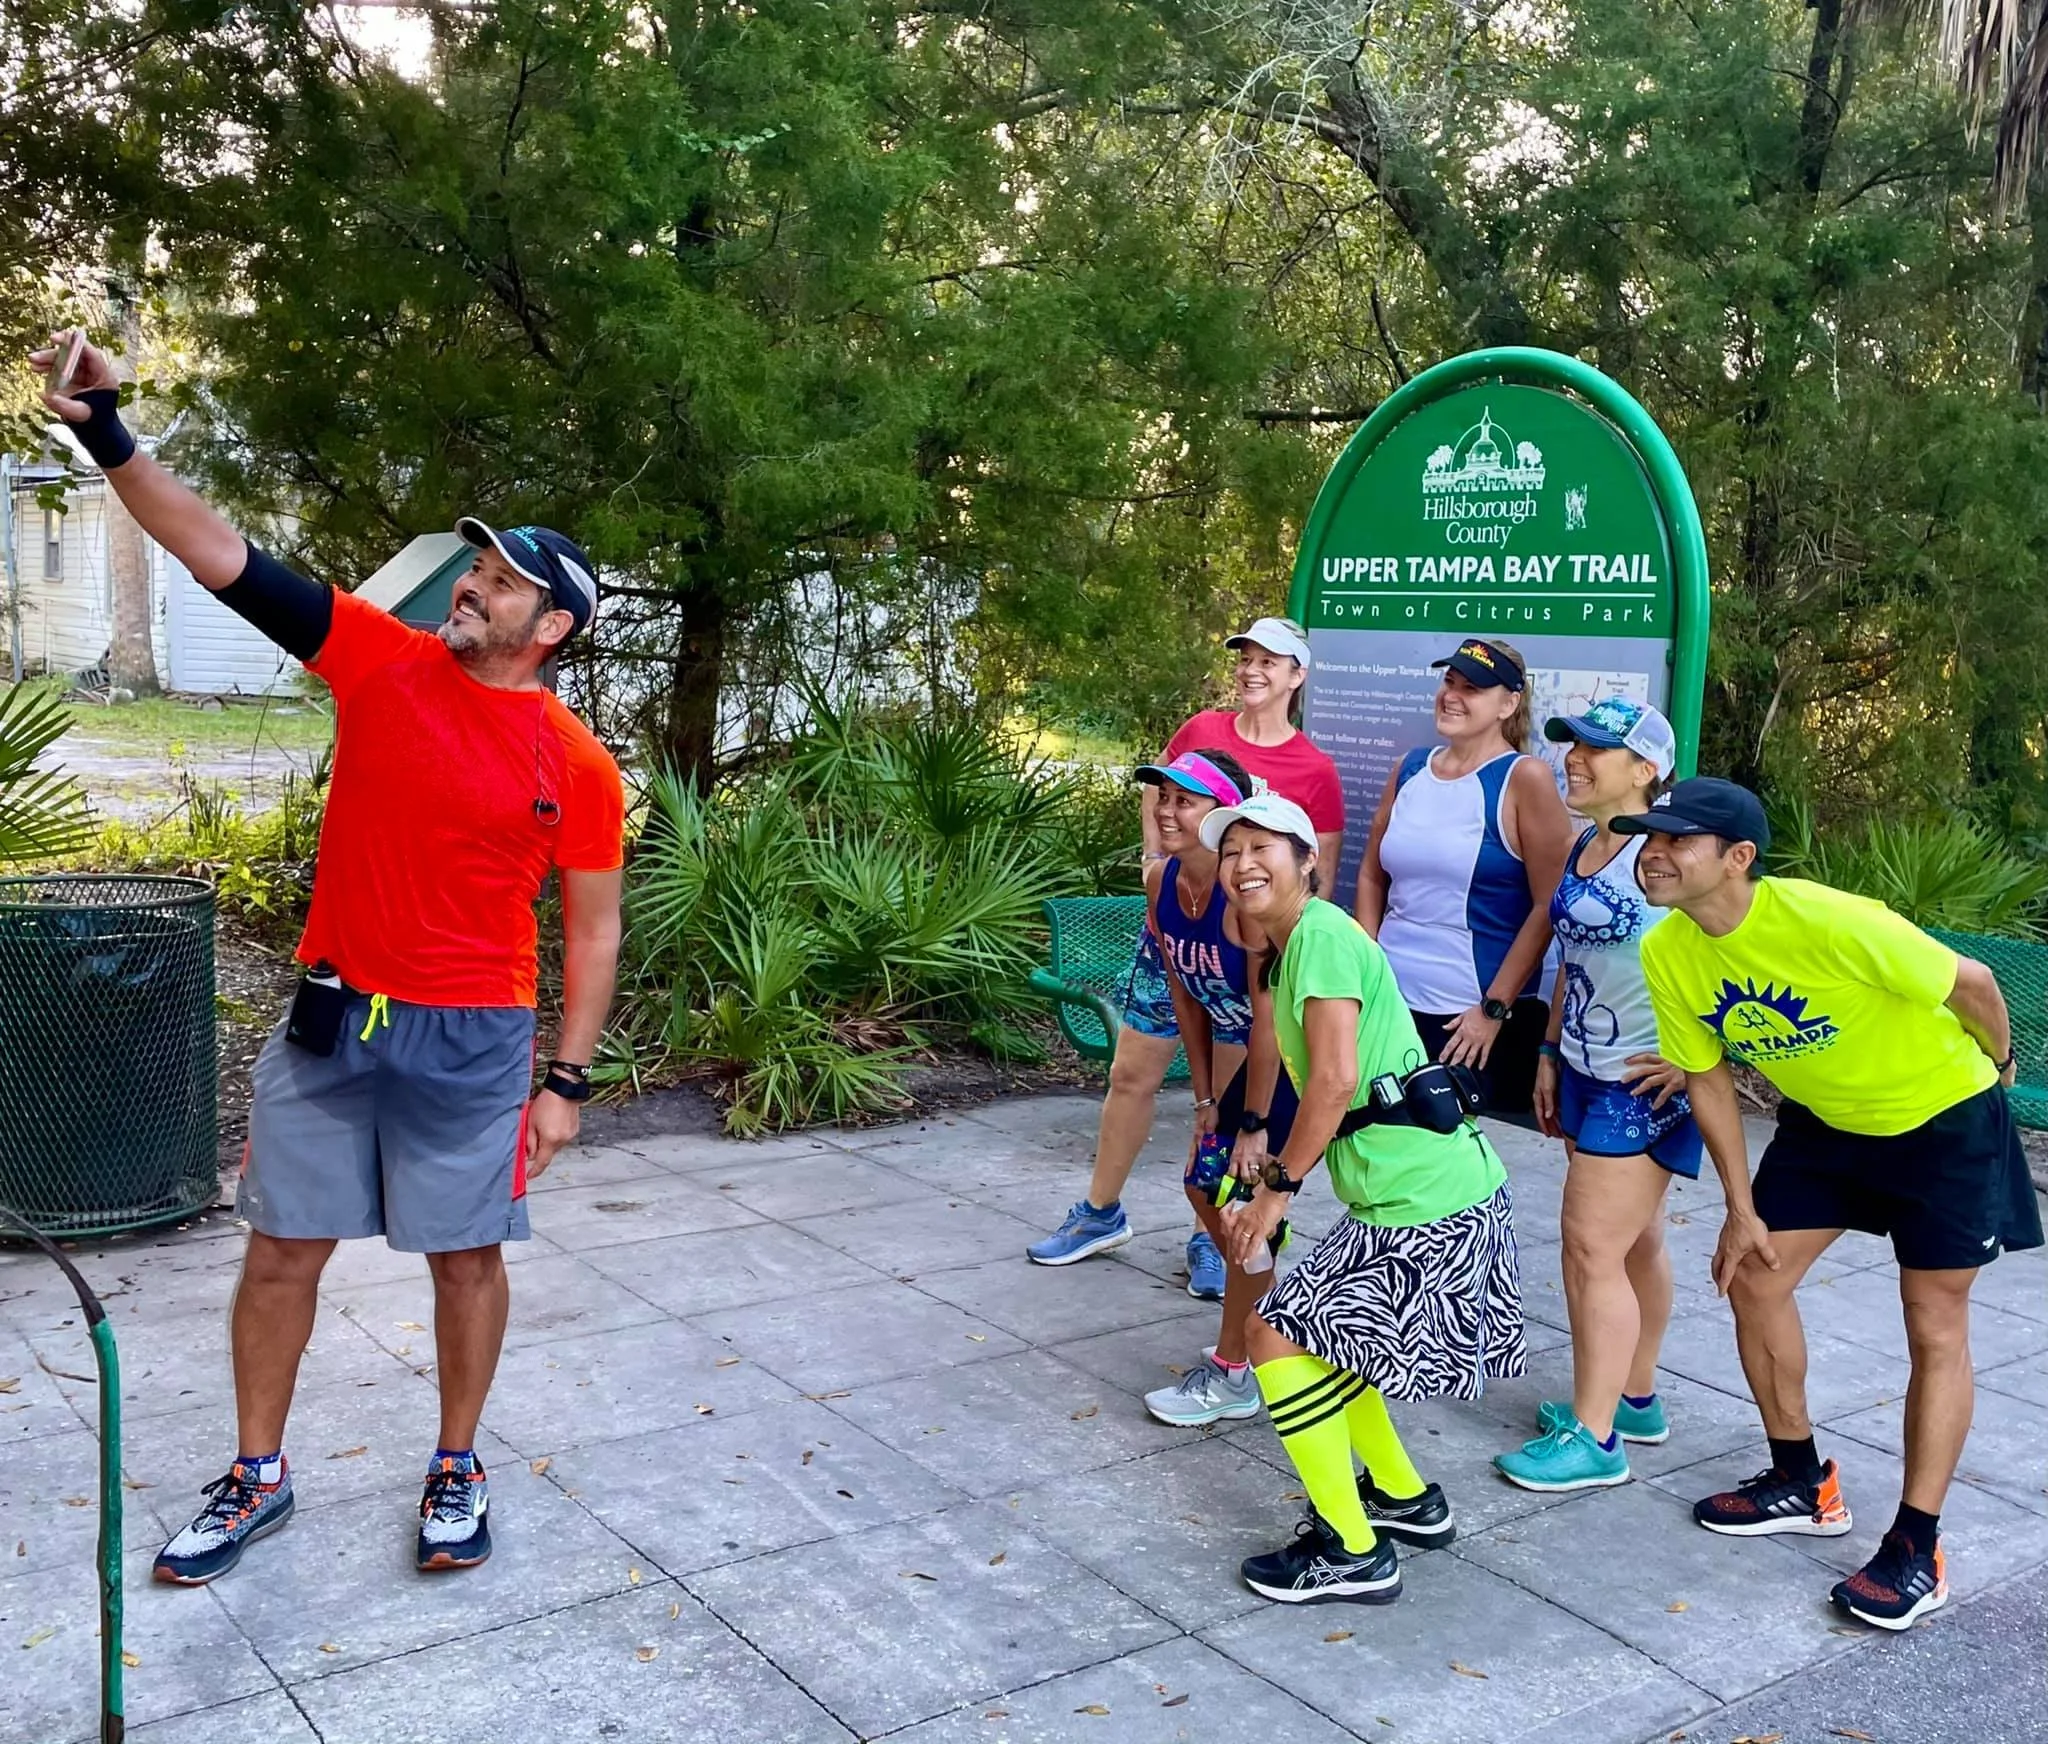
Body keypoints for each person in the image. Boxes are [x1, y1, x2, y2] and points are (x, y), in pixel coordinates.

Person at [32, 335, 626, 1584]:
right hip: (333, 1019)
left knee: (467, 1258)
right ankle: (258, 1473)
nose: (472, 587)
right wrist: (109, 434)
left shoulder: (577, 765)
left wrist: (566, 1082)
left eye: (501, 583)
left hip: (473, 1038)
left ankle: (456, 1461)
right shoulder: (378, 659)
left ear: (553, 626)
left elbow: (591, 928)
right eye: (476, 568)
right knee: (281, 1252)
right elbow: (216, 550)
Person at [1625, 777, 2041, 1630]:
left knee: (1933, 1323)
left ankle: (1916, 1545)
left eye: (1676, 840)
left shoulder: (1828, 919)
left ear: (1738, 858)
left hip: (1942, 1121)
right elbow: (1706, 1077)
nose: (1653, 854)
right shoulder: (1668, 948)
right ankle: (1801, 1480)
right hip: (1826, 1126)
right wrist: (1739, 1206)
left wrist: (1998, 1071)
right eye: (1649, 839)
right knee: (1754, 1276)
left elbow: (1974, 984)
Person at [1208, 792, 1526, 1606]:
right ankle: (1404, 1499)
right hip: (1419, 1194)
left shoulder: (1318, 938)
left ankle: (1353, 1551)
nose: (1242, 863)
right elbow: (1321, 1082)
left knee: (1274, 1338)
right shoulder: (1296, 947)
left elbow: (1336, 1081)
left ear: (1308, 860)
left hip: (1429, 1203)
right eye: (1231, 850)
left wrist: (1277, 1193)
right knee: (1326, 1342)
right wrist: (1262, 1156)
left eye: (1262, 847)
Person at [1028, 617, 1344, 1299]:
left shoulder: (1308, 777)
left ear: (1297, 675)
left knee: (1229, 1123)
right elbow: (1178, 978)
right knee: (1134, 1076)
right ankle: (1100, 1212)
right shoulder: (1201, 737)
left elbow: (1316, 870)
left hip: (1246, 968)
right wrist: (1157, 856)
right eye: (1245, 657)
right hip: (1183, 943)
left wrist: (1244, 1115)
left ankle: (1214, 1237)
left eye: (1270, 660)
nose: (1252, 669)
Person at [1491, 699, 1701, 1492]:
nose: (1573, 758)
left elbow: (1734, 952)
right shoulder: (1589, 842)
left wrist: (1698, 1060)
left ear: (1646, 769)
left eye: (1594, 749)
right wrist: (1549, 1049)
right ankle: (1633, 1398)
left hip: (1639, 1083)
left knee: (1589, 1247)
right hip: (1582, 1065)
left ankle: (1595, 1436)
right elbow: (1572, 956)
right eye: (1572, 744)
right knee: (1636, 1240)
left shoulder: (1667, 857)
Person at [1087, 752, 1303, 1429]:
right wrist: (1206, 1099)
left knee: (1237, 1203)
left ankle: (1237, 1367)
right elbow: (1185, 992)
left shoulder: (1246, 900)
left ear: (1222, 814)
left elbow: (1269, 1023)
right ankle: (1263, 1306)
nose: (1167, 810)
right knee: (1204, 1189)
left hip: (1292, 1062)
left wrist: (1253, 1124)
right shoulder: (1162, 880)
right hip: (1237, 1061)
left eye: (1185, 800)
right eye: (1163, 798)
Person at [1353, 637, 1573, 1118]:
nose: (1451, 695)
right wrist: (1367, 972)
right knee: (1371, 1138)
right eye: (1449, 682)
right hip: (1387, 1001)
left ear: (1508, 704)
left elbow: (1549, 904)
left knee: (1437, 1148)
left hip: (1463, 1018)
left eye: (1471, 688)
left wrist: (1493, 1009)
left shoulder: (1524, 778)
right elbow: (1371, 873)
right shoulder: (1410, 768)